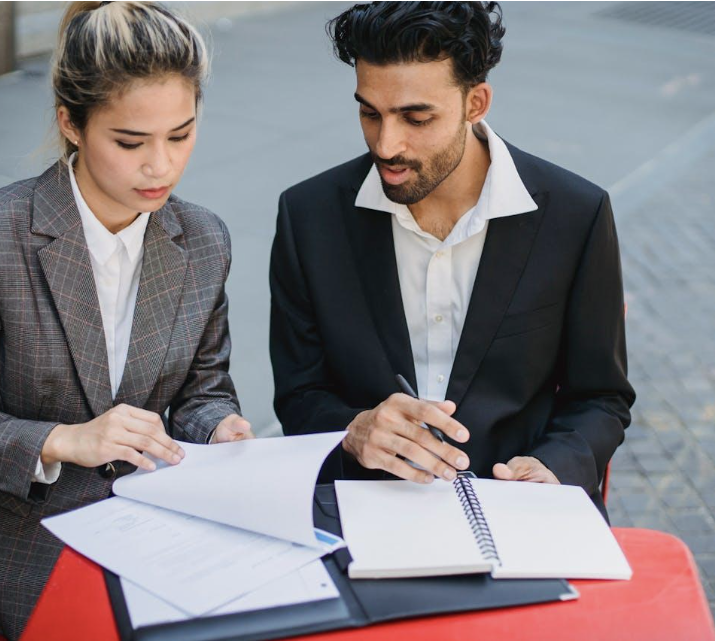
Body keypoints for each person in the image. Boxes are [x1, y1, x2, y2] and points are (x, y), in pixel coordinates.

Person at [0, 2, 252, 637]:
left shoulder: (202, 239)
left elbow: (203, 388)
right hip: (16, 547)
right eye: (130, 142)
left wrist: (218, 427)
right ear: (72, 123)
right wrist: (62, 440)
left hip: (151, 529)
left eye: (180, 134)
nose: (161, 165)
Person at [270, 1, 635, 518]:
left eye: (416, 118)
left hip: (522, 511)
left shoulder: (577, 214)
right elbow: (299, 395)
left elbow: (601, 397)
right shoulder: (308, 216)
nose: (386, 144)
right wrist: (354, 431)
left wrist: (553, 466)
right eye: (369, 113)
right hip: (364, 510)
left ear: (475, 102)